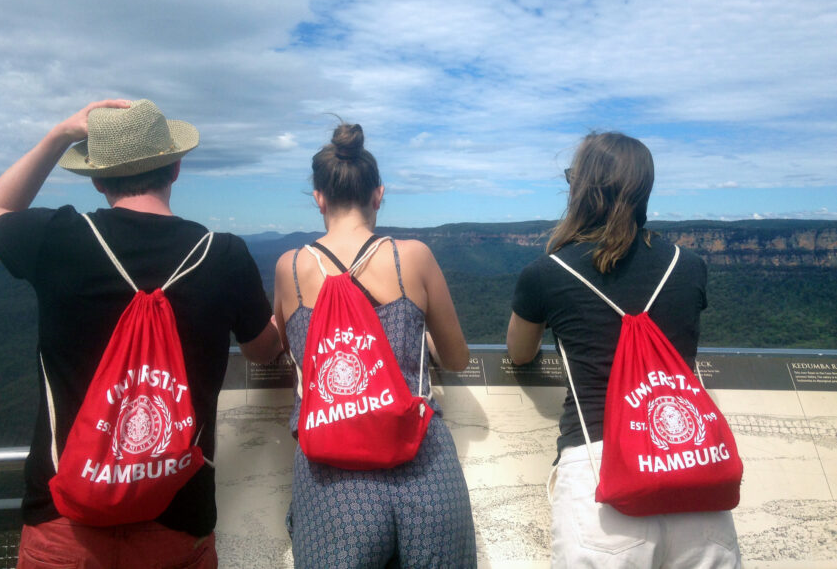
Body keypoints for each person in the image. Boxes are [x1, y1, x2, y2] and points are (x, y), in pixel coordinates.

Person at [0, 99, 282, 569]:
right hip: (178, 522)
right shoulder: (225, 256)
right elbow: (263, 351)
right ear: (176, 168)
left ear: (97, 178)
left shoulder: (58, 239)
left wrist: (59, 135)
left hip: (65, 526)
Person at [506, 131, 742, 568]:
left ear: (581, 189)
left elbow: (519, 352)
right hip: (691, 466)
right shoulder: (689, 266)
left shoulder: (545, 273)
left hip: (600, 472)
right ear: (644, 190)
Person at [273, 122, 477, 568]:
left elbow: (277, 344)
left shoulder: (290, 267)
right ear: (378, 194)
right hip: (423, 464)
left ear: (318, 198)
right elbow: (458, 358)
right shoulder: (413, 256)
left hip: (333, 480)